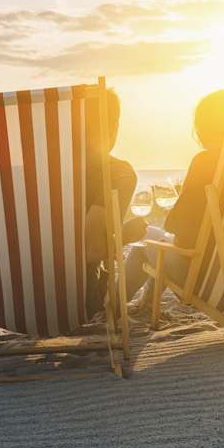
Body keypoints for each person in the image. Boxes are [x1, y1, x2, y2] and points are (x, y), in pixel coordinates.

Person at [124, 89, 224, 307]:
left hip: (210, 283)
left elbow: (181, 234)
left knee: (147, 237)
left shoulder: (206, 162)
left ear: (205, 127)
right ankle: (146, 304)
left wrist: (176, 214)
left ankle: (111, 305)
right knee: (160, 242)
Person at [84, 89, 147, 317]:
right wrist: (126, 235)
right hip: (78, 300)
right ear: (111, 127)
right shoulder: (117, 173)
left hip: (4, 303)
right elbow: (92, 251)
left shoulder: (27, 172)